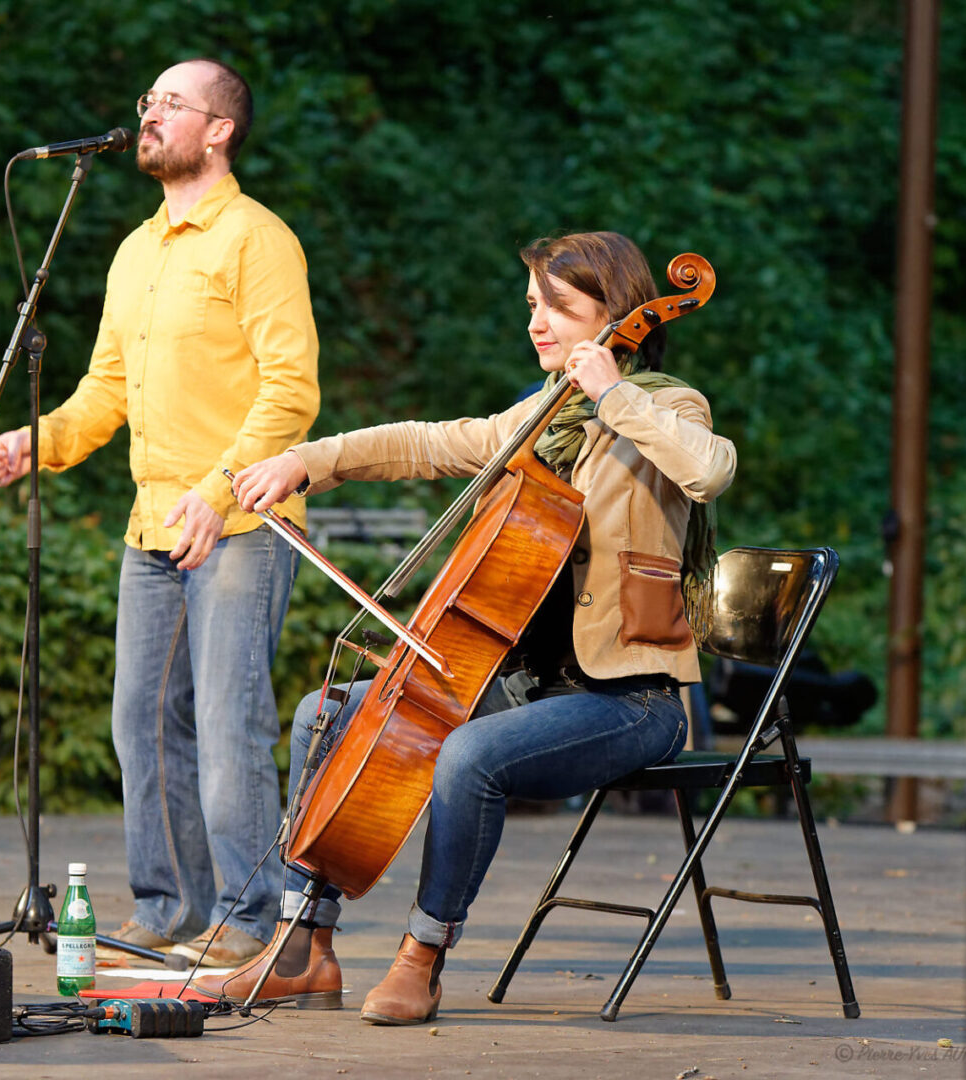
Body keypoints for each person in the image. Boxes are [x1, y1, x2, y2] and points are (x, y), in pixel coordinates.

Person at [204, 230, 735, 1023]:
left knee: (468, 754)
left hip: (630, 699)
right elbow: (426, 443)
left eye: (557, 305)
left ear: (614, 311)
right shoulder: (538, 416)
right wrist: (307, 461)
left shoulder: (663, 403)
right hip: (524, 688)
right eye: (531, 305)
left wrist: (612, 395)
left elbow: (710, 466)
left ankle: (422, 954)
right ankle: (300, 950)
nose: (537, 322)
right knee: (328, 714)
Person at [0, 58, 320, 967]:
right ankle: (170, 906)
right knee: (139, 724)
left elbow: (289, 395)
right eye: (147, 101)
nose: (149, 115)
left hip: (240, 525)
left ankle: (258, 932)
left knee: (228, 727)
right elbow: (107, 389)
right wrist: (37, 439)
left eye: (172, 103)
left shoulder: (257, 239)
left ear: (219, 130)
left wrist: (215, 494)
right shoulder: (136, 250)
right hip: (152, 527)